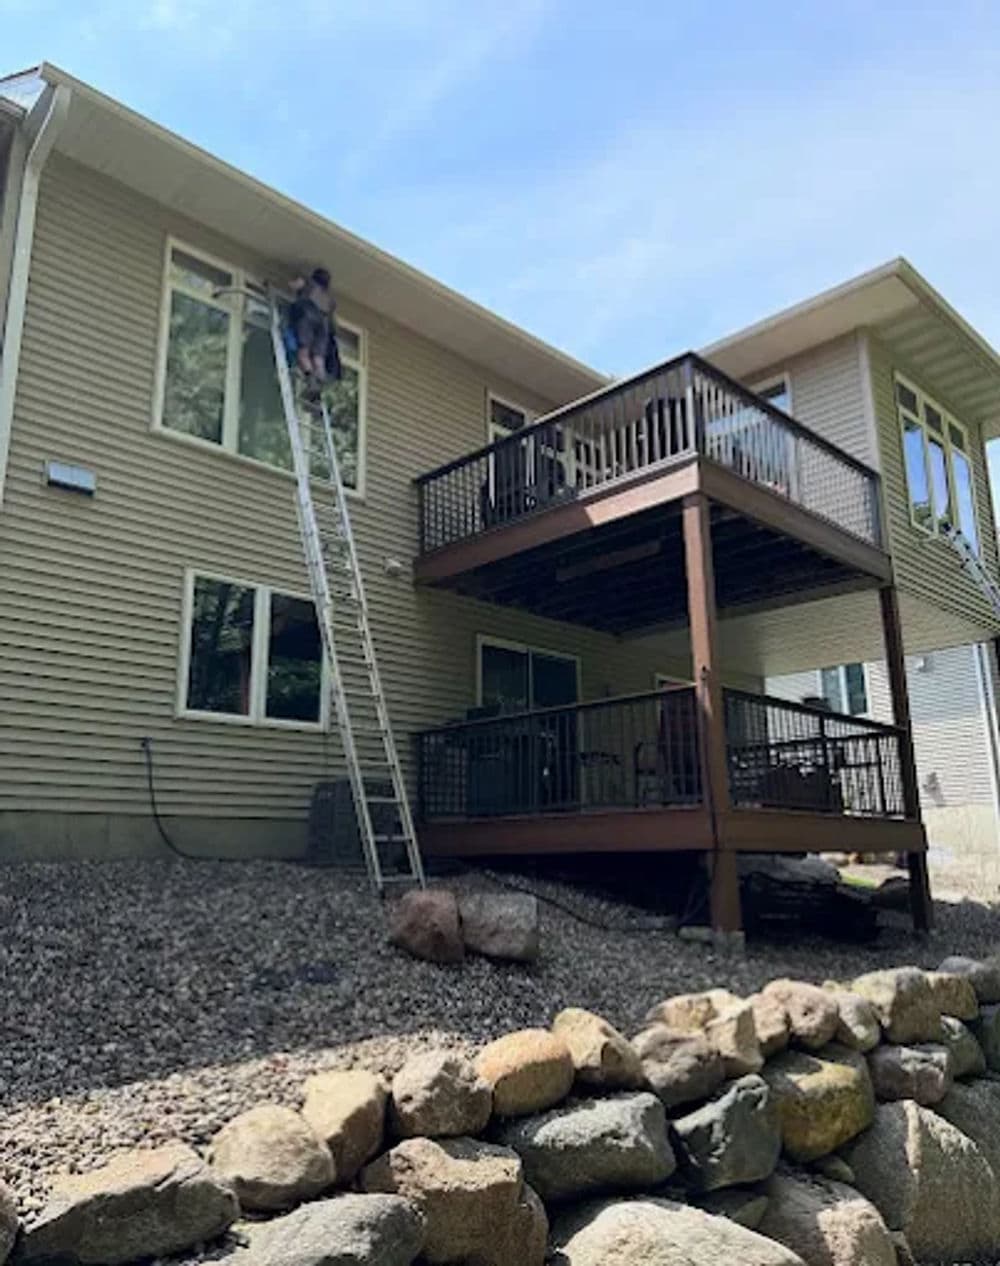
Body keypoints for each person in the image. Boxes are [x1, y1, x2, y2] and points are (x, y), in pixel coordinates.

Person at [288, 268, 341, 386]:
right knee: (318, 358)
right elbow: (334, 325)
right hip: (324, 326)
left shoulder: (309, 285)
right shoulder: (329, 300)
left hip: (308, 318)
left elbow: (292, 285)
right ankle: (320, 382)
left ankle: (310, 379)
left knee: (303, 353)